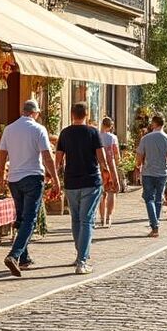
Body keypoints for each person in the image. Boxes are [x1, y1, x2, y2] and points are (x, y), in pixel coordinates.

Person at [0, 99, 60, 277]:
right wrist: (55, 178)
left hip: (14, 179)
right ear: (35, 113)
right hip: (32, 177)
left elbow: (1, 154)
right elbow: (47, 156)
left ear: (23, 111)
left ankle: (23, 259)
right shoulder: (38, 129)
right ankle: (14, 255)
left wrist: (2, 177)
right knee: (30, 220)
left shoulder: (9, 129)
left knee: (21, 218)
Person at [55, 103, 120, 275]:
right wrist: (108, 175)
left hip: (71, 182)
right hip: (91, 181)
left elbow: (58, 159)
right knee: (87, 221)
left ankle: (80, 256)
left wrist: (54, 178)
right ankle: (82, 261)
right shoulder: (93, 132)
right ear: (87, 114)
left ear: (71, 114)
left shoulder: (65, 133)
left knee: (76, 220)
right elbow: (101, 157)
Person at [136, 114, 167, 238]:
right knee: (158, 199)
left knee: (149, 198)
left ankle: (154, 225)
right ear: (163, 124)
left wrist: (138, 166)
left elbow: (139, 155)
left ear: (154, 124)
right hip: (162, 173)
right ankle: (156, 226)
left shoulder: (146, 138)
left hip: (148, 172)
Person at [98, 117, 121, 228]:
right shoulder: (113, 138)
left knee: (102, 194)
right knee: (111, 192)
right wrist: (117, 164)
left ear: (102, 124)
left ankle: (102, 218)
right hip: (110, 167)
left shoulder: (97, 136)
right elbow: (116, 154)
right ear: (111, 126)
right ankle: (109, 217)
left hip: (99, 167)